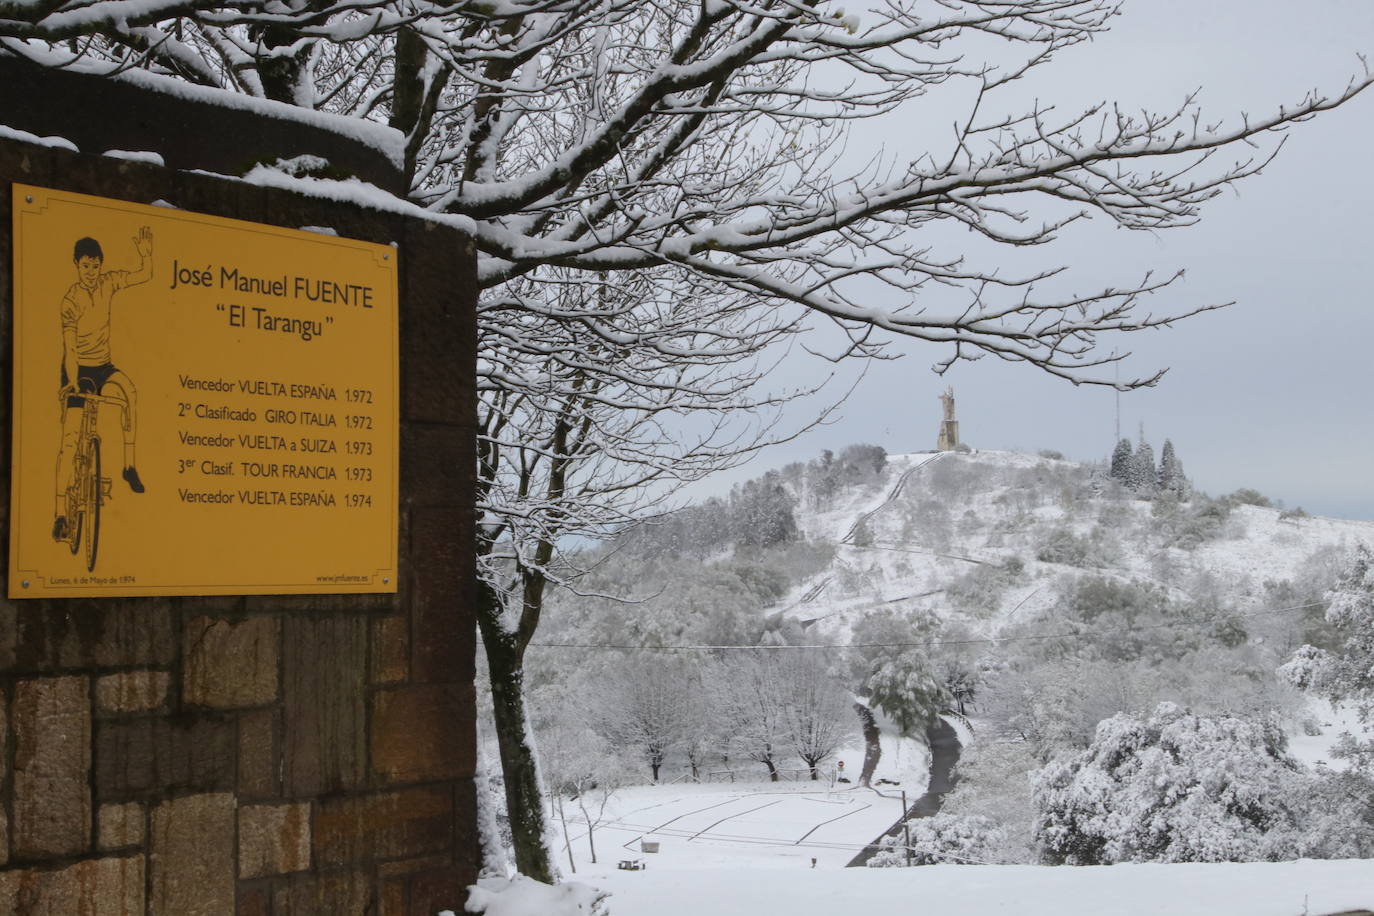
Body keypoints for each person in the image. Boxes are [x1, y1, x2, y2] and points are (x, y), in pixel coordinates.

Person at [52, 228, 152, 541]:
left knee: (130, 392)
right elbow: (69, 347)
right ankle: (59, 514)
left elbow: (144, 275)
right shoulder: (71, 301)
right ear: (76, 265)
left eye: (95, 266)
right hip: (77, 369)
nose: (91, 272)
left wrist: (146, 253)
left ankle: (129, 466)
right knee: (70, 440)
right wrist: (71, 382)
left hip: (104, 366)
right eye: (85, 266)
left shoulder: (109, 282)